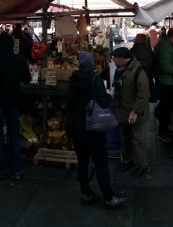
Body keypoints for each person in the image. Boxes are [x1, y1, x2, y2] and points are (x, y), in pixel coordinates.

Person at [65, 52, 127, 208]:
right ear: (91, 65)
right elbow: (104, 102)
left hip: (75, 127)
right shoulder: (95, 80)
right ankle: (108, 197)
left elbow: (68, 101)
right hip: (92, 127)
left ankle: (86, 193)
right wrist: (110, 96)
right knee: (101, 163)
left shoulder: (72, 80)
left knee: (82, 162)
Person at [0, 32, 31, 181]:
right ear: (11, 45)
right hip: (13, 104)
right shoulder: (19, 60)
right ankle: (16, 169)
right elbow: (27, 79)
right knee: (14, 136)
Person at [111, 47, 151, 178]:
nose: (113, 60)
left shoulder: (138, 71)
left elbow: (144, 95)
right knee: (124, 138)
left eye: (114, 58)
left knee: (138, 140)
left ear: (122, 59)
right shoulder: (121, 70)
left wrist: (135, 111)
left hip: (136, 113)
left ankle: (141, 165)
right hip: (122, 111)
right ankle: (127, 160)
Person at [154, 28, 173, 143]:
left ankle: (164, 129)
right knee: (165, 107)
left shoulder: (164, 44)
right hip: (166, 82)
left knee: (166, 106)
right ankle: (163, 131)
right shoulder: (165, 46)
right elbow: (165, 67)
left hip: (167, 81)